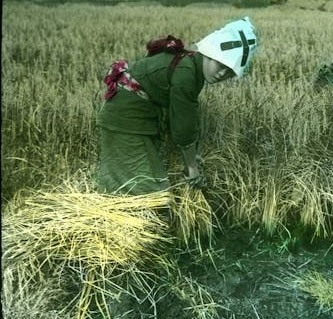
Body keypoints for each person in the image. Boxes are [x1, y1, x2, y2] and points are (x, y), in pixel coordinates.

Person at [95, 16, 259, 196]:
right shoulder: (186, 75)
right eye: (221, 65)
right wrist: (192, 167)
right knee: (147, 190)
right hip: (125, 118)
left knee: (141, 183)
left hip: (132, 115)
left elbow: (181, 117)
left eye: (229, 72)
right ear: (209, 53)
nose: (222, 73)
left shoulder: (190, 64)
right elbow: (183, 127)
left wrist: (190, 156)